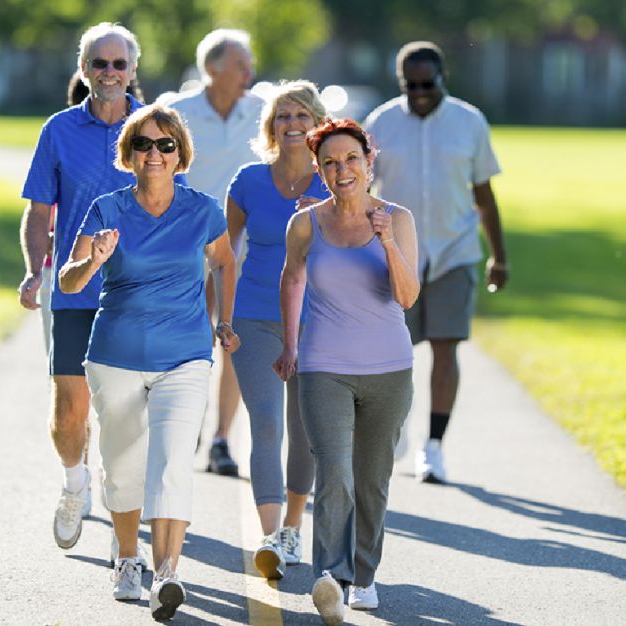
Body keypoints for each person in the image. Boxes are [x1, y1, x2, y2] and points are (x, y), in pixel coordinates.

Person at [58, 103, 239, 620]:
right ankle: (128, 559)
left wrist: (224, 321)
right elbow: (69, 281)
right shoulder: (107, 210)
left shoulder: (203, 209)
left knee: (172, 463)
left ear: (180, 153)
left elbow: (224, 261)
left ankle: (166, 575)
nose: (154, 153)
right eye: (144, 144)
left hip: (184, 356)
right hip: (115, 356)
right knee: (122, 466)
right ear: (129, 154)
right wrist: (92, 260)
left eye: (165, 144)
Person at [273, 118, 419, 625]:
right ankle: (331, 580)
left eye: (351, 159)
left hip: (389, 369)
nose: (342, 170)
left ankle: (365, 576)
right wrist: (290, 345)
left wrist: (388, 244)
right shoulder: (306, 224)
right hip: (323, 366)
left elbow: (406, 296)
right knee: (334, 471)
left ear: (369, 162)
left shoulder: (397, 218)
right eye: (330, 163)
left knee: (372, 478)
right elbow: (292, 280)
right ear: (319, 169)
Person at [18, 22, 143, 551]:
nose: (109, 73)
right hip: (72, 290)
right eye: (99, 64)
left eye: (119, 64)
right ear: (84, 70)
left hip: (137, 294)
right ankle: (75, 483)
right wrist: (33, 269)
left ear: (133, 71)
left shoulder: (155, 129)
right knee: (70, 409)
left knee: (125, 413)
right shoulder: (59, 129)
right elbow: (38, 212)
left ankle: (124, 517)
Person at [365, 41, 508, 484]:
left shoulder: (469, 122)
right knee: (392, 353)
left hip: (454, 252)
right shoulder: (381, 123)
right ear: (401, 82)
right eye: (412, 85)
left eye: (429, 84)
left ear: (443, 78)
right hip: (397, 256)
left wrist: (499, 257)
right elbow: (364, 192)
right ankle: (397, 426)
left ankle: (434, 448)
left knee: (447, 349)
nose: (421, 92)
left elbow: (484, 195)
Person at [226, 80, 326, 579]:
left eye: (302, 116)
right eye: (283, 116)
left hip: (318, 322)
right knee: (265, 422)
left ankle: (291, 526)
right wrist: (219, 318)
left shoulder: (337, 180)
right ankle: (269, 537)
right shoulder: (248, 181)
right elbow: (223, 256)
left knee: (305, 431)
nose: (292, 124)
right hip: (254, 316)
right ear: (271, 126)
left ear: (318, 125)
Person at [165, 28, 264, 478]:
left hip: (241, 251)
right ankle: (186, 430)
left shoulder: (262, 112)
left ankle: (222, 439)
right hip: (185, 249)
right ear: (213, 69)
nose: (249, 73)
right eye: (240, 65)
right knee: (188, 342)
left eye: (249, 65)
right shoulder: (176, 113)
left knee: (233, 342)